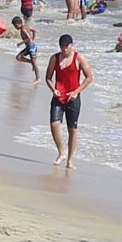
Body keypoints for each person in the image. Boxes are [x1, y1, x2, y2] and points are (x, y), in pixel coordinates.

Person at [45, 34, 93, 168]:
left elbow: (89, 77)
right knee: (54, 124)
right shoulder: (54, 58)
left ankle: (70, 160)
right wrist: (53, 89)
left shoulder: (79, 58)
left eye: (67, 47)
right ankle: (61, 152)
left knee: (72, 129)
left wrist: (77, 92)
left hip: (73, 98)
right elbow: (48, 78)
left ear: (72, 45)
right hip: (58, 96)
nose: (64, 50)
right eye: (62, 47)